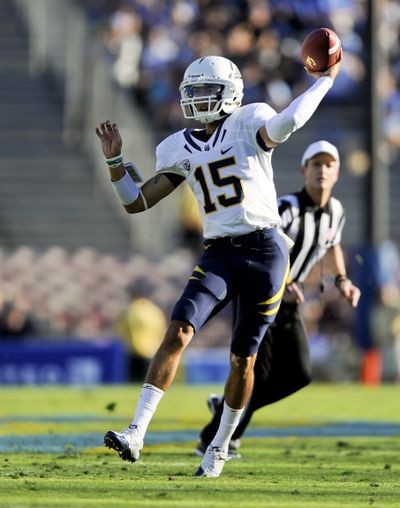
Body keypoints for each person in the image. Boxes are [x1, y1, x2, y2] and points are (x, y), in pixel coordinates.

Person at [95, 54, 342, 478]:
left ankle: (220, 446)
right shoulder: (175, 146)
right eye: (191, 93)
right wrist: (115, 162)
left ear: (230, 93)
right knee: (178, 329)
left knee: (242, 361)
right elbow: (137, 202)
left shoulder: (251, 120)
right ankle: (136, 431)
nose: (196, 100)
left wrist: (324, 82)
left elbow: (288, 123)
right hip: (220, 252)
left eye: (205, 91)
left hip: (266, 250)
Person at [196, 140, 361, 457]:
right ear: (304, 170)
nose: (322, 171)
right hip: (261, 294)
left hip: (289, 302)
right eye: (316, 165)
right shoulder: (285, 207)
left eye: (328, 165)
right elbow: (264, 245)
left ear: (337, 173)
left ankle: (226, 406)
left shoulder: (336, 211)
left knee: (299, 375)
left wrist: (342, 280)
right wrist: (283, 279)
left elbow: (333, 244)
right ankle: (213, 438)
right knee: (256, 374)